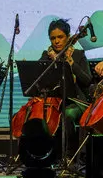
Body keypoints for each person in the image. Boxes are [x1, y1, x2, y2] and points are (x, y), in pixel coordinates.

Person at [39, 19, 93, 153]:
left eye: (60, 37)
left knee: (67, 114)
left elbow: (87, 81)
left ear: (68, 37)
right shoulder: (46, 55)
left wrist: (72, 64)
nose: (56, 41)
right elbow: (38, 79)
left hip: (76, 101)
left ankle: (70, 153)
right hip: (54, 101)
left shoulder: (78, 54)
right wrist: (50, 61)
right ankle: (44, 153)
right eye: (53, 38)